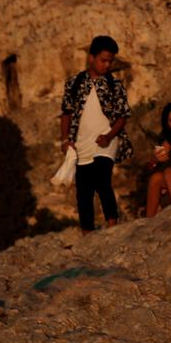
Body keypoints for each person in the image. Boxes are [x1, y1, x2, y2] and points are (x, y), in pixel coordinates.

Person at [60, 35, 133, 233]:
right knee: (84, 191)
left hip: (107, 142)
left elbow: (123, 116)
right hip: (82, 145)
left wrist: (109, 136)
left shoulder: (115, 85)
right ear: (92, 58)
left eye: (110, 61)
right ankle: (87, 234)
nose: (107, 65)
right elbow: (66, 113)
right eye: (103, 60)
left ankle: (112, 228)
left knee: (103, 180)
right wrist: (65, 139)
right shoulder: (74, 83)